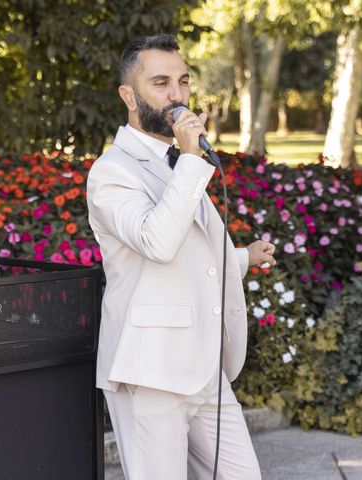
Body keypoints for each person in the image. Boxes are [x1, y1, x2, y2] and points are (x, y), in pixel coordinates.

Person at [86, 34, 276, 479]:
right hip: (150, 371)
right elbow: (157, 242)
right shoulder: (112, 172)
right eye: (161, 83)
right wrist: (191, 161)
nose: (177, 95)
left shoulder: (180, 161)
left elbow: (192, 251)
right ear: (128, 95)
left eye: (183, 81)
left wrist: (243, 257)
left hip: (205, 367)